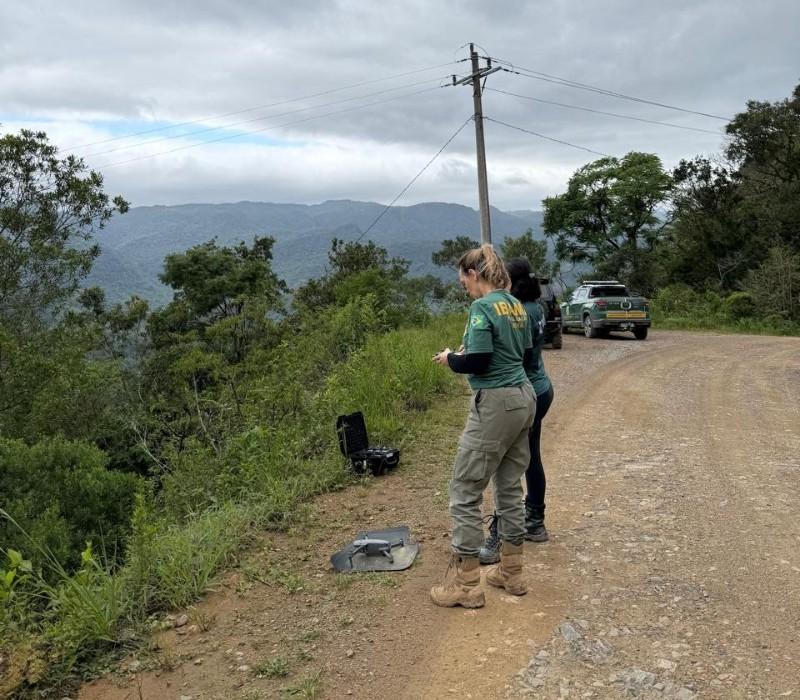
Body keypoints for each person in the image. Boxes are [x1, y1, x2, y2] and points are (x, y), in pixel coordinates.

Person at [430, 244, 536, 609]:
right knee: (508, 485)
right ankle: (513, 572)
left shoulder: (482, 306)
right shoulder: (514, 304)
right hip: (524, 396)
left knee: (465, 487)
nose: (466, 289)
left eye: (464, 282)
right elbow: (520, 354)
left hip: (495, 403)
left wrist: (451, 358)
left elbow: (477, 361)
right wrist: (468, 352)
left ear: (474, 275)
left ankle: (467, 584)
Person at [479, 258, 554, 566]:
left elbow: (511, 356)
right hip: (542, 386)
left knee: (509, 461)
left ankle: (505, 527)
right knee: (529, 455)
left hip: (524, 391)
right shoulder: (536, 308)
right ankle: (535, 518)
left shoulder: (517, 310)